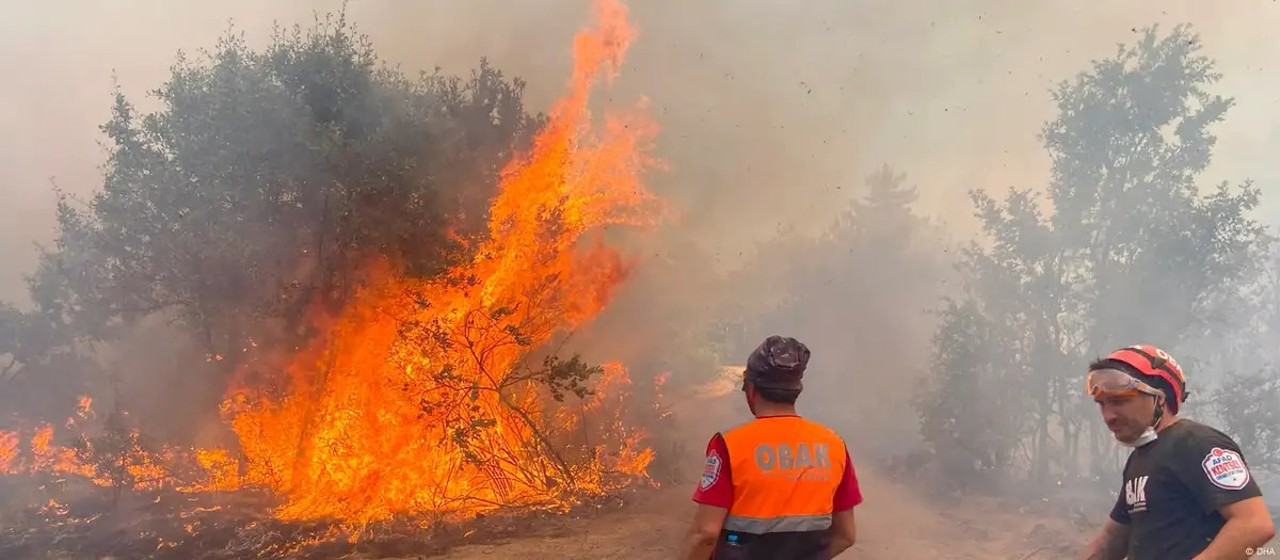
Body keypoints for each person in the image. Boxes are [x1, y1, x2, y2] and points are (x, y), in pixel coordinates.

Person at [1080, 344, 1275, 560]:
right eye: (1102, 404)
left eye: (1120, 401)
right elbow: (1112, 539)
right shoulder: (1140, 457)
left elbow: (1254, 524)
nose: (1108, 416)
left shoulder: (1197, 443)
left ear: (1159, 399)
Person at [678, 335, 862, 560]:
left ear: (752, 390)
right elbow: (846, 535)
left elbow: (706, 533)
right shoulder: (834, 444)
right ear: (796, 390)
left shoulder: (729, 445)